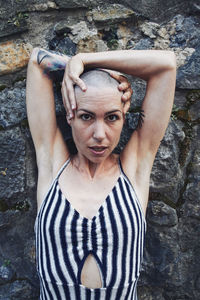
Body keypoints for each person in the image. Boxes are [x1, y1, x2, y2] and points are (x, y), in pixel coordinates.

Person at [26, 48, 176, 300]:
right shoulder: (53, 166)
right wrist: (79, 71)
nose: (99, 134)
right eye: (86, 117)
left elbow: (167, 66)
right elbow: (37, 61)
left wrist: (86, 60)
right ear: (70, 113)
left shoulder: (134, 169)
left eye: (112, 117)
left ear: (123, 116)